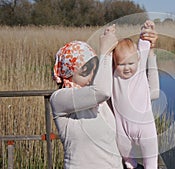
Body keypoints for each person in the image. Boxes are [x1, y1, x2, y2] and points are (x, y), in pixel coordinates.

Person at [50, 25, 124, 169]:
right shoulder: (59, 99)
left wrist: (148, 48)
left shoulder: (99, 100)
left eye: (94, 70)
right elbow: (101, 91)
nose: (91, 78)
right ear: (68, 73)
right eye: (85, 72)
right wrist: (106, 52)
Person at [112, 20, 160, 169]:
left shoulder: (139, 70)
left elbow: (144, 45)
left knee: (151, 152)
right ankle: (130, 163)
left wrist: (146, 30)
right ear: (115, 64)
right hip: (122, 125)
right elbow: (106, 59)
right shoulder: (114, 76)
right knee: (124, 148)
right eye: (121, 64)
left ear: (138, 60)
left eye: (130, 63)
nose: (126, 68)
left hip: (145, 124)